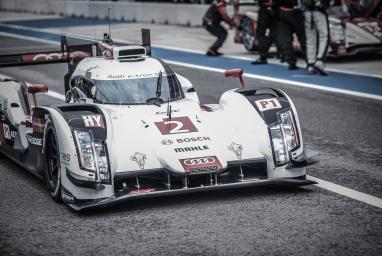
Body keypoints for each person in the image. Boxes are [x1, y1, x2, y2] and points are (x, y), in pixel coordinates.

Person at [302, 0, 331, 75]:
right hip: (319, 11)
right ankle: (319, 61)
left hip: (307, 12)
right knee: (324, 37)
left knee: (310, 40)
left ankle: (311, 64)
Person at [251, 0, 283, 65]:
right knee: (276, 32)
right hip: (277, 8)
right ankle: (283, 54)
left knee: (261, 33)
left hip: (266, 7)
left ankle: (263, 56)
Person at [278, 0, 306, 70]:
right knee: (303, 38)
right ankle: (310, 61)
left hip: (283, 10)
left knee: (287, 39)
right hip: (295, 11)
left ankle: (291, 62)